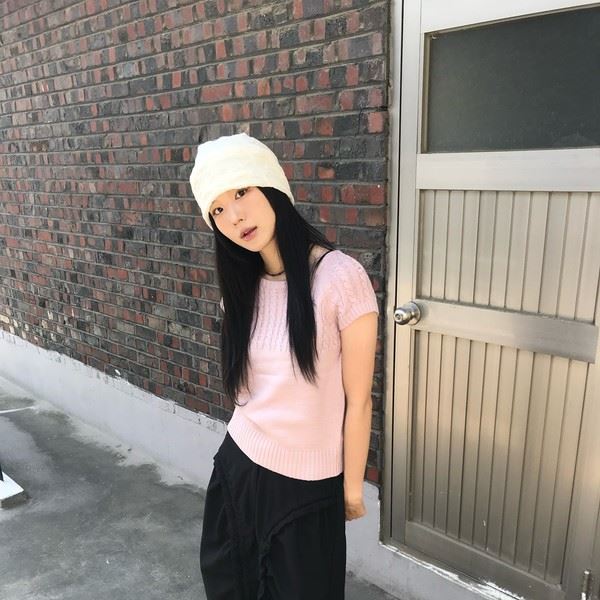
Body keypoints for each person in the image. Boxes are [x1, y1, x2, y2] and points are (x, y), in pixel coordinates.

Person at [189, 132, 379, 600]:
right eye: (218, 209)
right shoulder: (241, 287)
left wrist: (352, 489)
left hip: (307, 490)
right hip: (238, 470)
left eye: (241, 191)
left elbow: (359, 400)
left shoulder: (339, 277)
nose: (234, 216)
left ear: (271, 186)